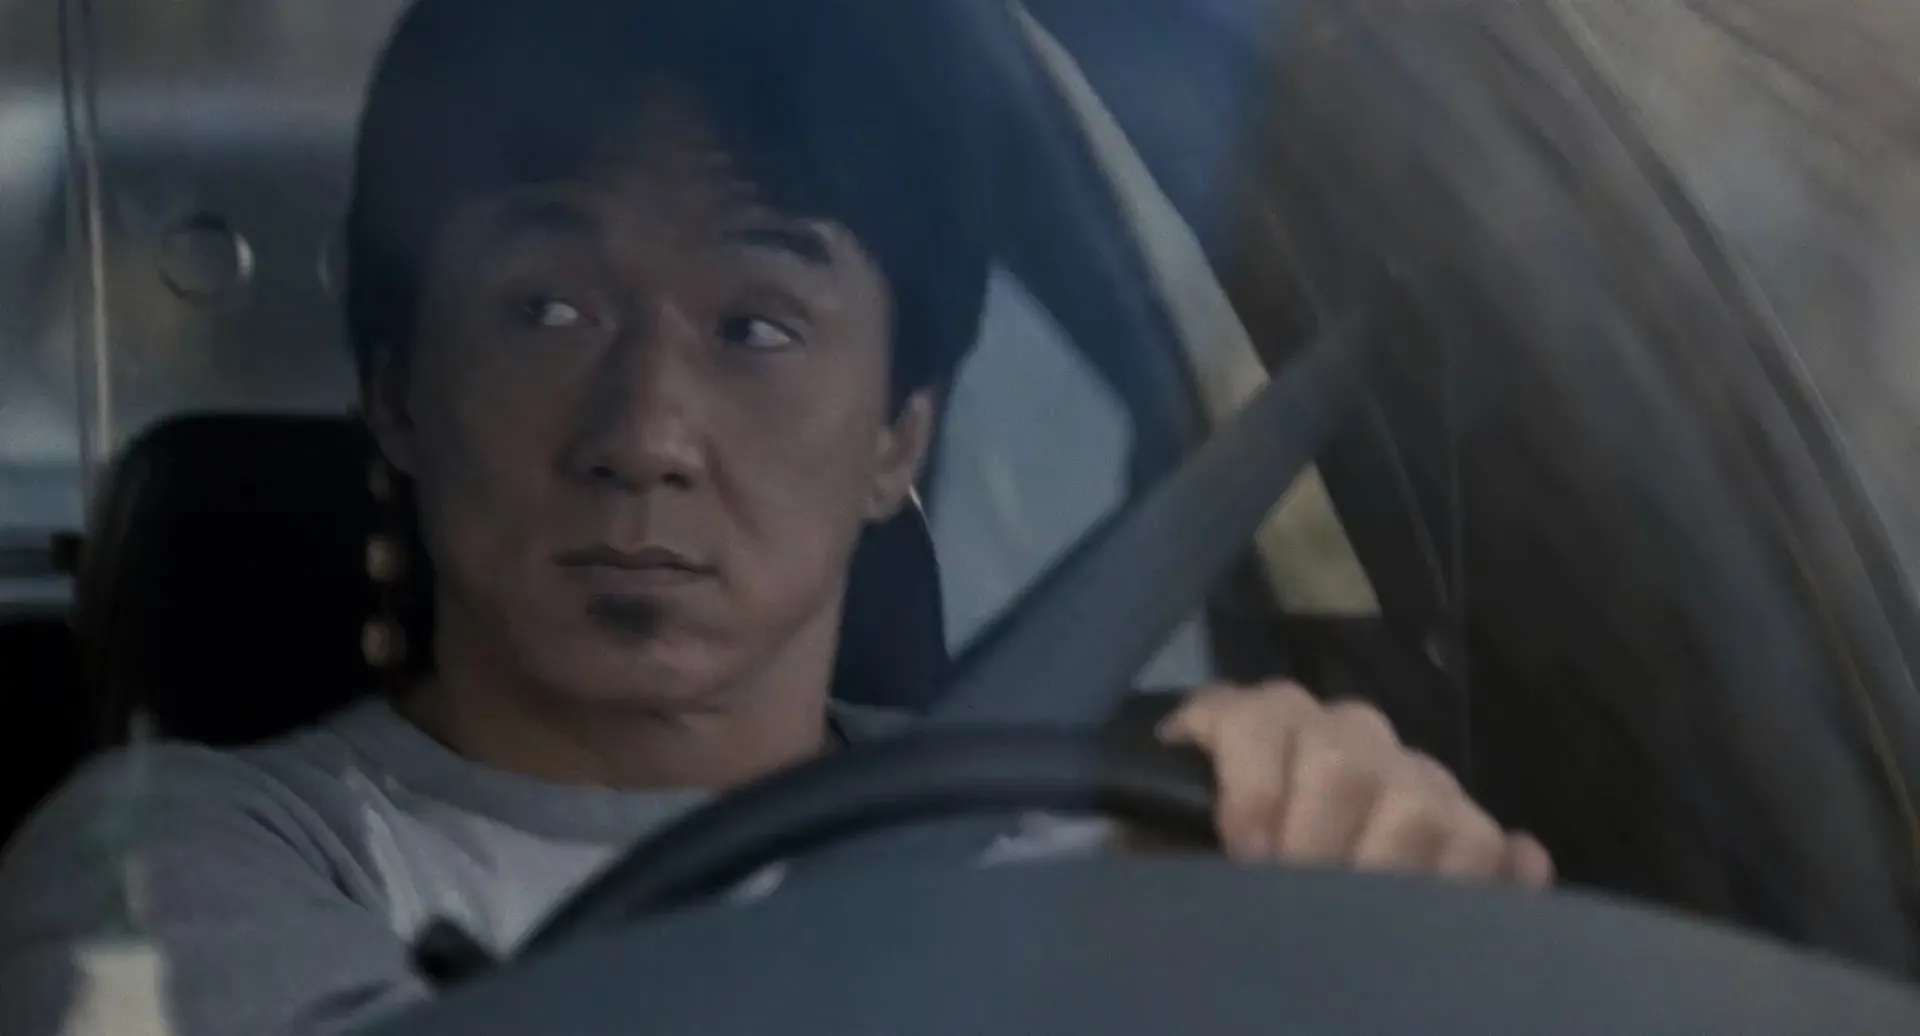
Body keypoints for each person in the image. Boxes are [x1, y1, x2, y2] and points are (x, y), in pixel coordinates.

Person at [0, 1, 1551, 1033]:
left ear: (899, 437)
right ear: (397, 391)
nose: (645, 438)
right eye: (548, 309)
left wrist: (1384, 911)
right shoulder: (178, 862)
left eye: (756, 326)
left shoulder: (1117, 849)